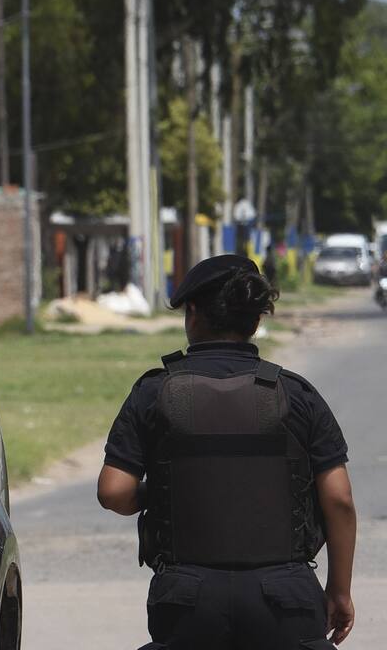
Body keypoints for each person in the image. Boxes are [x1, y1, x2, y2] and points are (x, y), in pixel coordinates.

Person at [97, 255, 357, 649]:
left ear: (194, 314)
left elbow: (113, 491)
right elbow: (338, 499)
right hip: (285, 601)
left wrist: (169, 492)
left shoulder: (155, 392)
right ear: (254, 320)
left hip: (187, 600)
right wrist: (339, 589)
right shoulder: (296, 394)